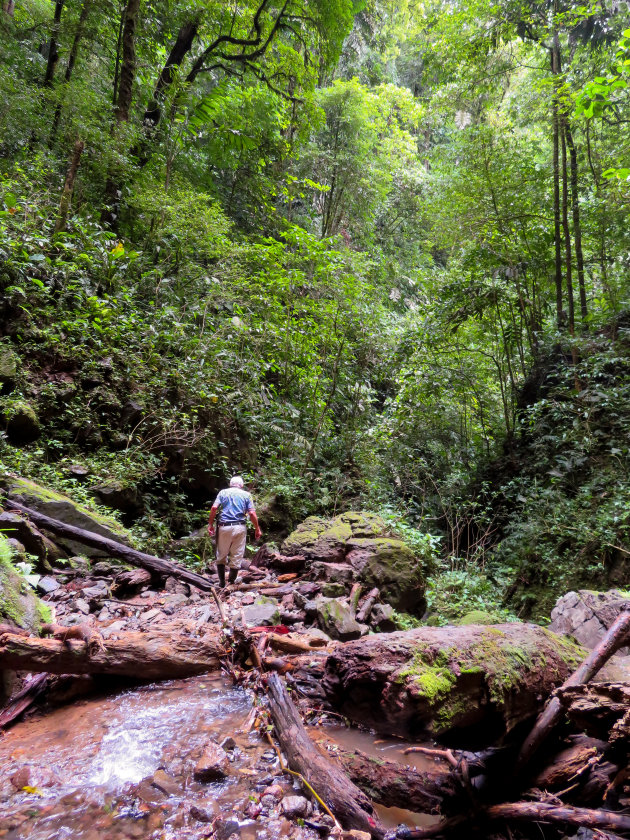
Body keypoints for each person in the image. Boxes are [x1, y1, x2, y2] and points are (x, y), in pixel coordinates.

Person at [207, 476, 261, 587]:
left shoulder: (223, 493)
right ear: (241, 485)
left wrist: (210, 524)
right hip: (240, 527)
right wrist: (257, 528)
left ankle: (222, 582)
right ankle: (231, 582)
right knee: (237, 555)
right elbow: (251, 513)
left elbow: (214, 508)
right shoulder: (246, 495)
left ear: (231, 484)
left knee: (221, 554)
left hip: (224, 527)